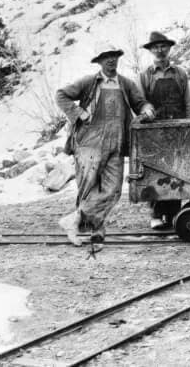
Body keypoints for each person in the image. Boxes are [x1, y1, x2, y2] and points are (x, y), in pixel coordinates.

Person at [56, 42, 154, 246]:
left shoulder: (126, 84)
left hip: (116, 143)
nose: (111, 60)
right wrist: (77, 113)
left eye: (114, 56)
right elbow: (61, 95)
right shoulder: (89, 82)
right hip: (89, 145)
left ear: (118, 58)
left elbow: (140, 103)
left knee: (113, 190)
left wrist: (146, 109)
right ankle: (97, 231)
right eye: (106, 57)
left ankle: (73, 220)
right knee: (89, 188)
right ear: (99, 61)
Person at [138, 31, 190, 229]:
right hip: (156, 131)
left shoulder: (180, 73)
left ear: (169, 48)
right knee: (157, 172)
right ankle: (156, 214)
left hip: (179, 129)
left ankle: (174, 214)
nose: (160, 50)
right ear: (151, 51)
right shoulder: (145, 76)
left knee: (178, 170)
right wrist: (146, 111)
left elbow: (188, 102)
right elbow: (140, 102)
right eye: (155, 47)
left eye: (163, 46)